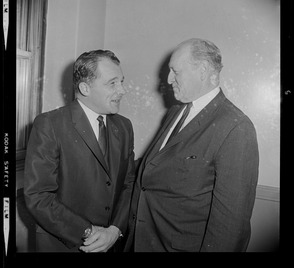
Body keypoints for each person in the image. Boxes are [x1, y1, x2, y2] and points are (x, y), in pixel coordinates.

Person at [124, 38, 259, 252]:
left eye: (175, 71)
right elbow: (155, 169)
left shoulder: (236, 127)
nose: (169, 80)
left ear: (203, 70)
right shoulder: (176, 112)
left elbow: (230, 228)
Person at [24, 49, 136, 252]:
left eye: (121, 81)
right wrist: (88, 232)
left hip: (111, 242)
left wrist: (115, 230)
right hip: (63, 244)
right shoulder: (50, 124)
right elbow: (38, 195)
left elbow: (129, 184)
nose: (122, 90)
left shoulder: (125, 126)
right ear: (85, 88)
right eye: (113, 83)